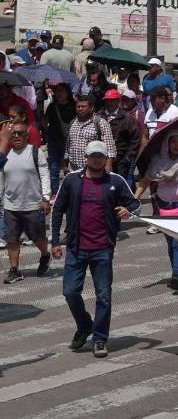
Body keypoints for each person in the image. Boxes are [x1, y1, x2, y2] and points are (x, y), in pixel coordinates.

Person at [50, 140, 139, 358]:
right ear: (86, 158)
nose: (97, 160)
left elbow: (136, 204)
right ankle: (84, 325)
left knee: (104, 296)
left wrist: (128, 210)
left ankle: (100, 339)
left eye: (101, 156)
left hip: (102, 248)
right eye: (93, 156)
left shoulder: (115, 181)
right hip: (76, 247)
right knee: (70, 292)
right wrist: (54, 241)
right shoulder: (72, 180)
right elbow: (57, 209)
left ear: (106, 158)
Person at [133, 130, 178, 289]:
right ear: (167, 143)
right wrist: (134, 198)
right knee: (171, 242)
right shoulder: (157, 160)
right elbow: (145, 181)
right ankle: (176, 272)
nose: (177, 145)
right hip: (163, 205)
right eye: (173, 141)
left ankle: (176, 274)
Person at [1, 121, 51, 283]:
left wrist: (46, 198)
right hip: (10, 205)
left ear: (26, 135)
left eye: (20, 133)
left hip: (33, 204)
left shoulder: (35, 152)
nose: (16, 136)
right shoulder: (5, 154)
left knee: (38, 238)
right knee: (11, 239)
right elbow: (1, 179)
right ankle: (14, 270)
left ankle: (45, 255)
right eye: (13, 133)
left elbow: (44, 175)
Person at [99, 89, 142, 189]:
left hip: (121, 158)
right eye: (107, 100)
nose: (109, 103)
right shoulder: (98, 116)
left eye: (112, 100)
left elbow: (135, 139)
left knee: (120, 183)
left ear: (118, 101)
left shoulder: (128, 118)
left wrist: (128, 157)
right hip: (101, 156)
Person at [65, 95, 116, 175]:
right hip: (73, 170)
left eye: (83, 106)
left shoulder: (100, 123)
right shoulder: (73, 123)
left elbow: (110, 148)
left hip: (94, 171)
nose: (80, 109)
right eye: (78, 106)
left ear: (91, 108)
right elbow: (68, 146)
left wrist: (108, 167)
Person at [42, 82, 77, 194]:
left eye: (62, 90)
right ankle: (55, 192)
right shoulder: (52, 106)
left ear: (67, 93)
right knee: (54, 167)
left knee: (68, 166)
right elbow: (45, 121)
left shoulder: (74, 106)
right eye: (57, 91)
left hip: (69, 141)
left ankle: (68, 191)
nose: (59, 93)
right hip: (53, 140)